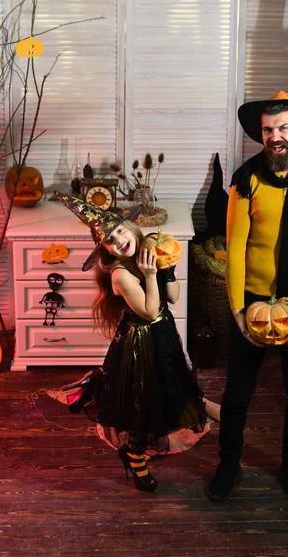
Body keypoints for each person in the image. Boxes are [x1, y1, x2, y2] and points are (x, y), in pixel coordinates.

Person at [207, 91, 288, 502]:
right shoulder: (246, 181)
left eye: (283, 127)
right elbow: (237, 249)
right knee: (238, 392)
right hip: (252, 300)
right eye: (268, 130)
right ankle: (228, 463)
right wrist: (237, 311)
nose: (274, 137)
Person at [55, 192, 207, 493]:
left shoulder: (147, 254)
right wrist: (151, 275)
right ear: (106, 249)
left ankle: (141, 444)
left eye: (121, 230)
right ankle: (134, 455)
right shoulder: (121, 274)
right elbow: (150, 311)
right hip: (139, 345)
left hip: (162, 337)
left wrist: (166, 269)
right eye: (111, 239)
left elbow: (172, 299)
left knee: (164, 393)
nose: (120, 240)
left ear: (132, 227)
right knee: (142, 401)